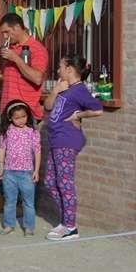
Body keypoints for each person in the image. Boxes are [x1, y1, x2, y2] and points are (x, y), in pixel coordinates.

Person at [0, 13, 48, 209]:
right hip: (7, 110)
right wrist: (0, 77)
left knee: (26, 158)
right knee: (7, 154)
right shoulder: (9, 49)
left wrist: (16, 59)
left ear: (17, 28)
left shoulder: (37, 49)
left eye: (6, 32)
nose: (4, 37)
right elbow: (18, 78)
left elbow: (37, 78)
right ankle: (5, 197)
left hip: (25, 113)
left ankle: (25, 203)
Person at [41, 55, 104, 241]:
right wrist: (55, 90)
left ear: (69, 69)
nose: (58, 70)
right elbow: (47, 106)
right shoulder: (64, 87)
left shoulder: (79, 90)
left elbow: (97, 109)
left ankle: (71, 227)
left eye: (60, 67)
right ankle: (65, 221)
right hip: (56, 140)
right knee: (50, 182)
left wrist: (78, 115)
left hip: (66, 141)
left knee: (64, 183)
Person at [0, 101, 41, 236]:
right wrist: (1, 166)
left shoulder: (32, 132)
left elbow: (37, 152)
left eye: (24, 116)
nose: (21, 120)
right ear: (10, 118)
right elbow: (2, 149)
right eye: (17, 118)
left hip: (27, 173)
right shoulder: (7, 132)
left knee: (28, 202)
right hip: (9, 172)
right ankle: (9, 225)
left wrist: (36, 170)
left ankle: (29, 227)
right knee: (10, 201)